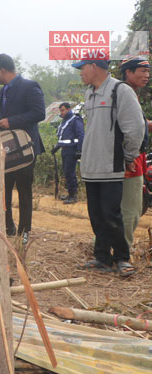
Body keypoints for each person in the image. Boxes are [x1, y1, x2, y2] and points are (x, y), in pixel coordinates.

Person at [74, 58, 144, 277]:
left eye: (82, 68)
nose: (80, 73)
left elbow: (135, 127)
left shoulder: (119, 90)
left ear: (95, 67)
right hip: (91, 165)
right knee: (96, 215)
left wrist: (130, 155)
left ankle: (122, 259)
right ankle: (102, 257)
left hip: (111, 164)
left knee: (112, 214)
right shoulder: (89, 93)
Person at [0, 53, 46, 244]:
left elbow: (39, 113)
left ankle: (25, 232)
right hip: (6, 149)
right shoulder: (3, 90)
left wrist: (11, 121)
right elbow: (4, 114)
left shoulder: (29, 86)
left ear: (2, 70)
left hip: (25, 148)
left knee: (24, 191)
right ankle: (8, 227)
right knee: (4, 189)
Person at [118, 56, 150, 251]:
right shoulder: (126, 94)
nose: (147, 76)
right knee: (131, 208)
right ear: (128, 72)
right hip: (130, 158)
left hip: (133, 156)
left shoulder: (128, 93)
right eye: (142, 71)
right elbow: (128, 128)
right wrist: (129, 157)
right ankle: (124, 251)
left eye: (148, 71)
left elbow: (135, 123)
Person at [51, 102, 85, 204]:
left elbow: (81, 135)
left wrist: (79, 150)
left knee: (70, 173)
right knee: (66, 172)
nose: (61, 113)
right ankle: (70, 194)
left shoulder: (75, 120)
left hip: (72, 150)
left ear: (69, 109)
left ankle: (73, 196)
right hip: (65, 150)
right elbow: (63, 137)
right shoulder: (65, 121)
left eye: (63, 110)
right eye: (60, 111)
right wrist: (56, 147)